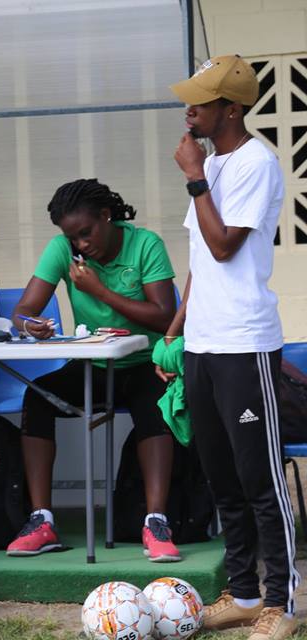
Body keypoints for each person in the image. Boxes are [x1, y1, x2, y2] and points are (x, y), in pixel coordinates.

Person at [159, 55, 300, 640]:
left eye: (201, 100)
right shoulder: (214, 163)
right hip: (203, 345)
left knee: (259, 479)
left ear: (231, 109)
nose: (188, 109)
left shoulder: (254, 163)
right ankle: (243, 594)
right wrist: (176, 330)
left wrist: (195, 177)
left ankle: (281, 603)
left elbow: (224, 246)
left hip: (244, 344)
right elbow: (200, 261)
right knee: (220, 476)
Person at [6, 178, 181, 564]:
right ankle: (42, 521)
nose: (81, 245)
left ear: (106, 215)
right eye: (73, 238)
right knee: (37, 396)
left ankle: (156, 522)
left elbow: (165, 316)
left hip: (145, 363)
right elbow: (23, 311)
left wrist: (100, 291)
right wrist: (29, 325)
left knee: (155, 406)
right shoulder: (62, 249)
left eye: (86, 233)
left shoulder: (145, 245)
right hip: (93, 367)